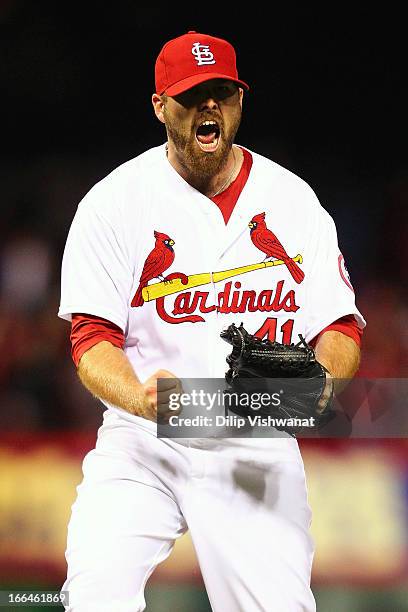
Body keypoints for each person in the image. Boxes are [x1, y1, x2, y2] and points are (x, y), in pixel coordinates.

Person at [59, 31, 365, 612]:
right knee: (95, 593)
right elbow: (91, 337)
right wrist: (135, 395)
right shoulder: (114, 202)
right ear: (159, 107)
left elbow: (341, 328)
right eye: (192, 94)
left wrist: (322, 381)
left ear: (239, 102)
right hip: (143, 438)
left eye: (221, 93)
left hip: (253, 439)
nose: (209, 107)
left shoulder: (293, 200)